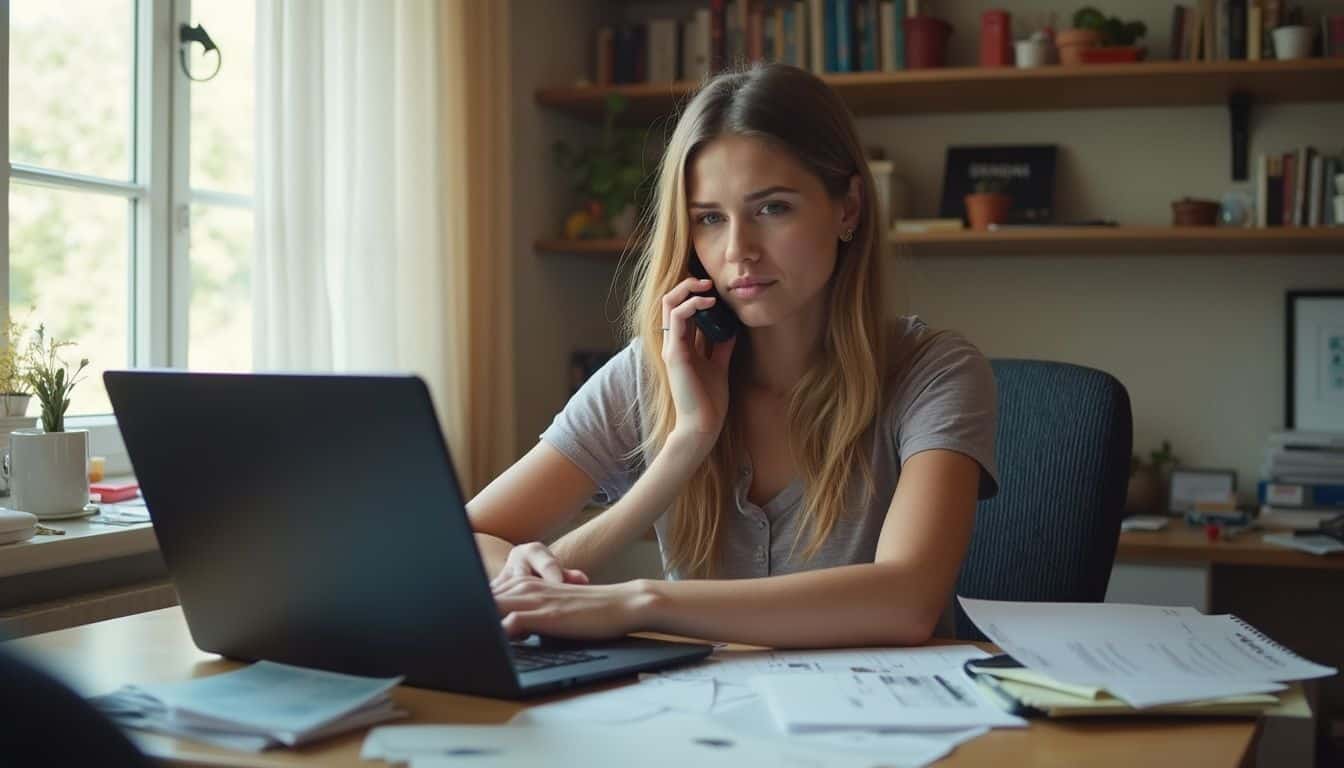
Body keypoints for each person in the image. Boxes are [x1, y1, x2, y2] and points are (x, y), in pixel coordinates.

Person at [470, 63, 998, 649]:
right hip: (698, 725)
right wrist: (684, 445)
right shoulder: (655, 373)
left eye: (772, 208)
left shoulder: (935, 371)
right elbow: (469, 539)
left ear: (848, 206)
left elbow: (905, 601)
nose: (737, 250)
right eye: (709, 219)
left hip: (890, 728)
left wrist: (636, 602)